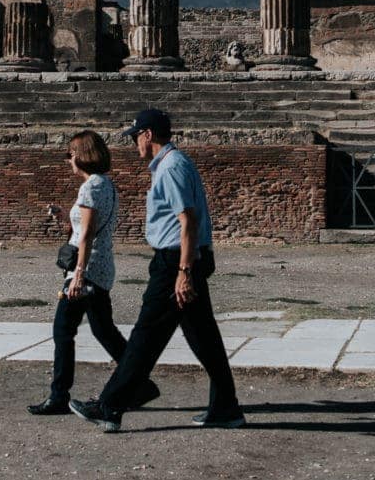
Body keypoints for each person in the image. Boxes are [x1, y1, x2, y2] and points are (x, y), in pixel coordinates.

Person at [70, 108, 245, 433]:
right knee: (203, 336)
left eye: (136, 135)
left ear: (148, 134)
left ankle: (109, 406)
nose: (134, 142)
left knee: (146, 335)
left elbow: (188, 220)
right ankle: (226, 407)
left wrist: (183, 271)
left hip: (175, 260)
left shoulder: (171, 167)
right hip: (182, 258)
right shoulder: (172, 164)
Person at [27, 130, 158, 416]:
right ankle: (140, 383)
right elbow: (83, 230)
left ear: (83, 155)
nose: (68, 159)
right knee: (104, 331)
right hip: (100, 267)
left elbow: (86, 236)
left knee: (63, 331)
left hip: (87, 270)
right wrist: (65, 216)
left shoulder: (90, 188)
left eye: (71, 153)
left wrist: (77, 275)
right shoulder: (105, 185)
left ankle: (59, 395)